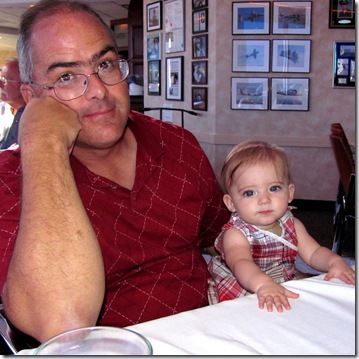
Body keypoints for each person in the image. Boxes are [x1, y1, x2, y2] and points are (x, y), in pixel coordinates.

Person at [0, 0, 229, 343]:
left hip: (213, 335)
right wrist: (43, 142)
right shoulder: (7, 182)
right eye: (66, 76)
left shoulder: (178, 143)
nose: (99, 91)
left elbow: (220, 237)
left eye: (105, 64)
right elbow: (60, 325)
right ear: (32, 97)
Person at [208, 141, 355, 312]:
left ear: (290, 193)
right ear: (231, 203)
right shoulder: (235, 233)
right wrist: (263, 284)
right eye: (249, 193)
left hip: (281, 277)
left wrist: (334, 261)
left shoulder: (292, 223)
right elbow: (240, 263)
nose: (264, 200)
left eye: (274, 188)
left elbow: (313, 253)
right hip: (247, 284)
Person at [0, 57, 26, 149]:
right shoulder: (3, 108)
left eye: (4, 79)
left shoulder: (36, 118)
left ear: (25, 85)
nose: (0, 84)